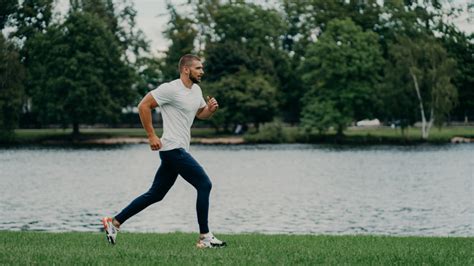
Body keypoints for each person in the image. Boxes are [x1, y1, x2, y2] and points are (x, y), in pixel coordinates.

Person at [102, 54, 226, 248]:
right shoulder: (171, 89)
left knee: (156, 194)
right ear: (186, 69)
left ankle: (115, 222)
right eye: (198, 68)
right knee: (204, 184)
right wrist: (152, 135)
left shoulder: (196, 90)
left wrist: (210, 109)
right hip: (172, 148)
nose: (202, 72)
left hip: (176, 150)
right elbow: (143, 105)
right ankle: (205, 237)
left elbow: (200, 114)